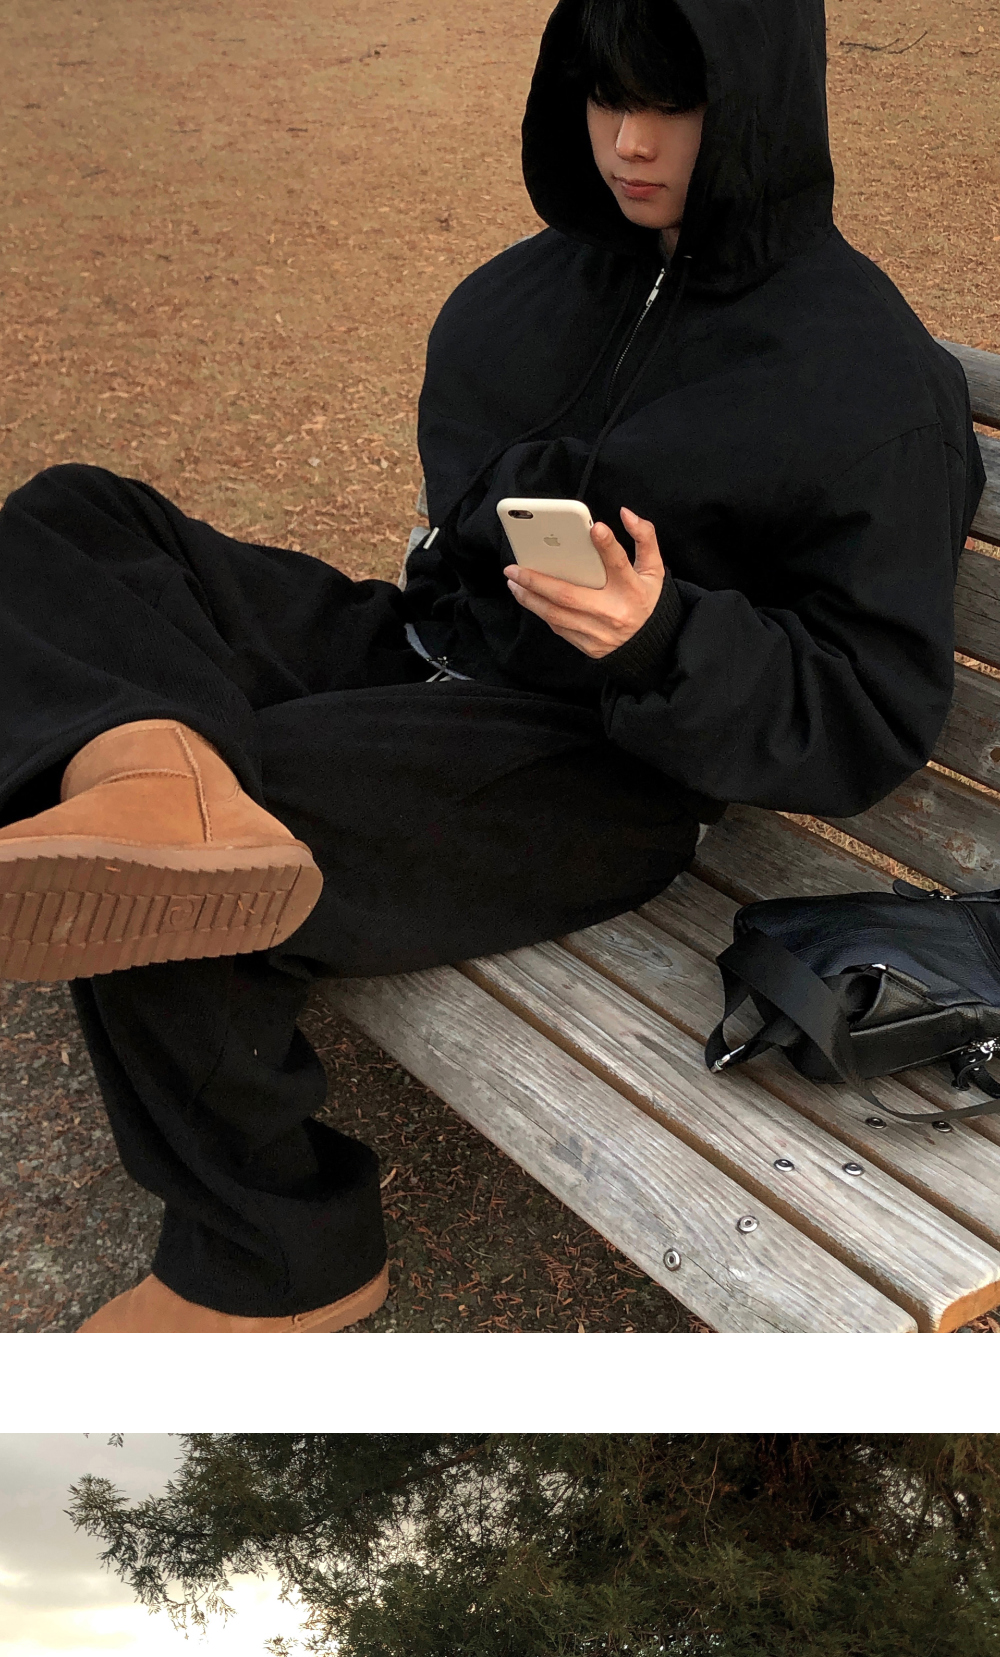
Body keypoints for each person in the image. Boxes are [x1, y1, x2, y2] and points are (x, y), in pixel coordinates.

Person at [0, 0, 982, 1332]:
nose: (630, 144)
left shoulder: (870, 383)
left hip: (606, 762)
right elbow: (463, 519)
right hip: (428, 649)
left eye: (675, 104)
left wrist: (665, 635)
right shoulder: (537, 287)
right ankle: (150, 773)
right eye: (606, 96)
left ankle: (278, 1257)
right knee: (75, 518)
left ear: (764, 103)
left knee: (216, 844)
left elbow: (868, 712)